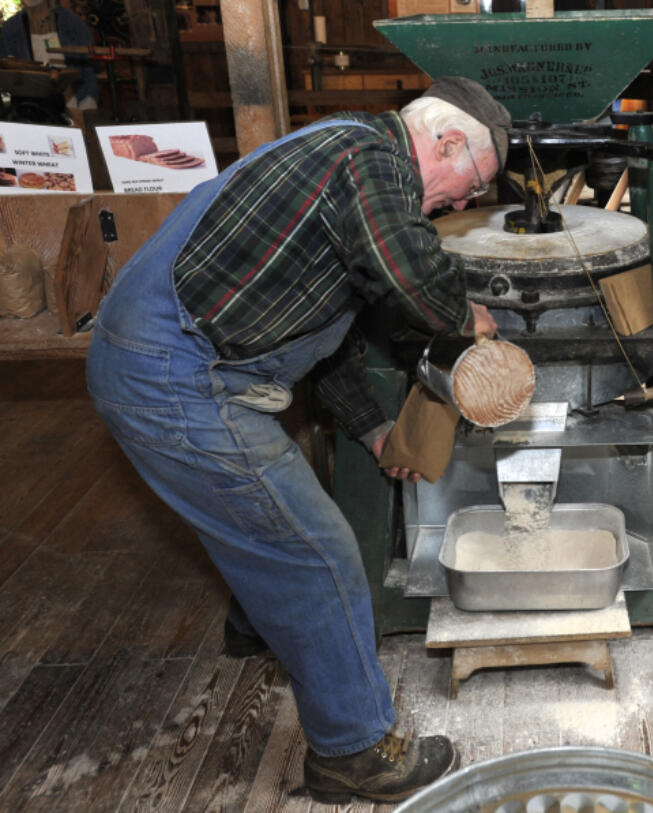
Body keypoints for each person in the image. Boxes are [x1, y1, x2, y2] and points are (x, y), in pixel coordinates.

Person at [85, 76, 509, 803]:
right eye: (473, 184)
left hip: (160, 352)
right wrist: (467, 316)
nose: (466, 204)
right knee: (316, 550)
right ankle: (353, 750)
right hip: (173, 371)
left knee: (268, 513)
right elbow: (419, 282)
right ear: (443, 142)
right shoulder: (369, 160)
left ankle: (261, 623)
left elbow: (326, 334)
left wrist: (376, 430)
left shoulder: (342, 162)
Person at [1, 0, 100, 115]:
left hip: (73, 106)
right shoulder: (11, 29)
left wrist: (87, 103)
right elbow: (6, 76)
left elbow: (90, 74)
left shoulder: (73, 25)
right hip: (29, 110)